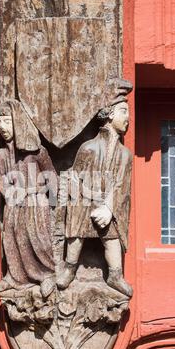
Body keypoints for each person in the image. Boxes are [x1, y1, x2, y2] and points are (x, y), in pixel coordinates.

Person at [57, 79, 133, 297]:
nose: (127, 117)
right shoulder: (88, 148)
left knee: (112, 235)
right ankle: (70, 267)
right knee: (77, 219)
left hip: (108, 202)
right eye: (123, 111)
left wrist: (108, 208)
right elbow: (75, 178)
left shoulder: (124, 155)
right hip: (85, 199)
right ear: (109, 114)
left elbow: (121, 185)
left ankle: (115, 274)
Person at [0, 106, 57, 299]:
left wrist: (49, 197)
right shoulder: (1, 155)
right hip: (14, 204)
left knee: (37, 238)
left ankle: (47, 274)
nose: (3, 127)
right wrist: (10, 193)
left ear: (18, 123)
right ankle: (15, 277)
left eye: (7, 121)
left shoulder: (37, 152)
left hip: (36, 202)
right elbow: (1, 179)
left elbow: (51, 175)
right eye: (0, 123)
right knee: (12, 238)